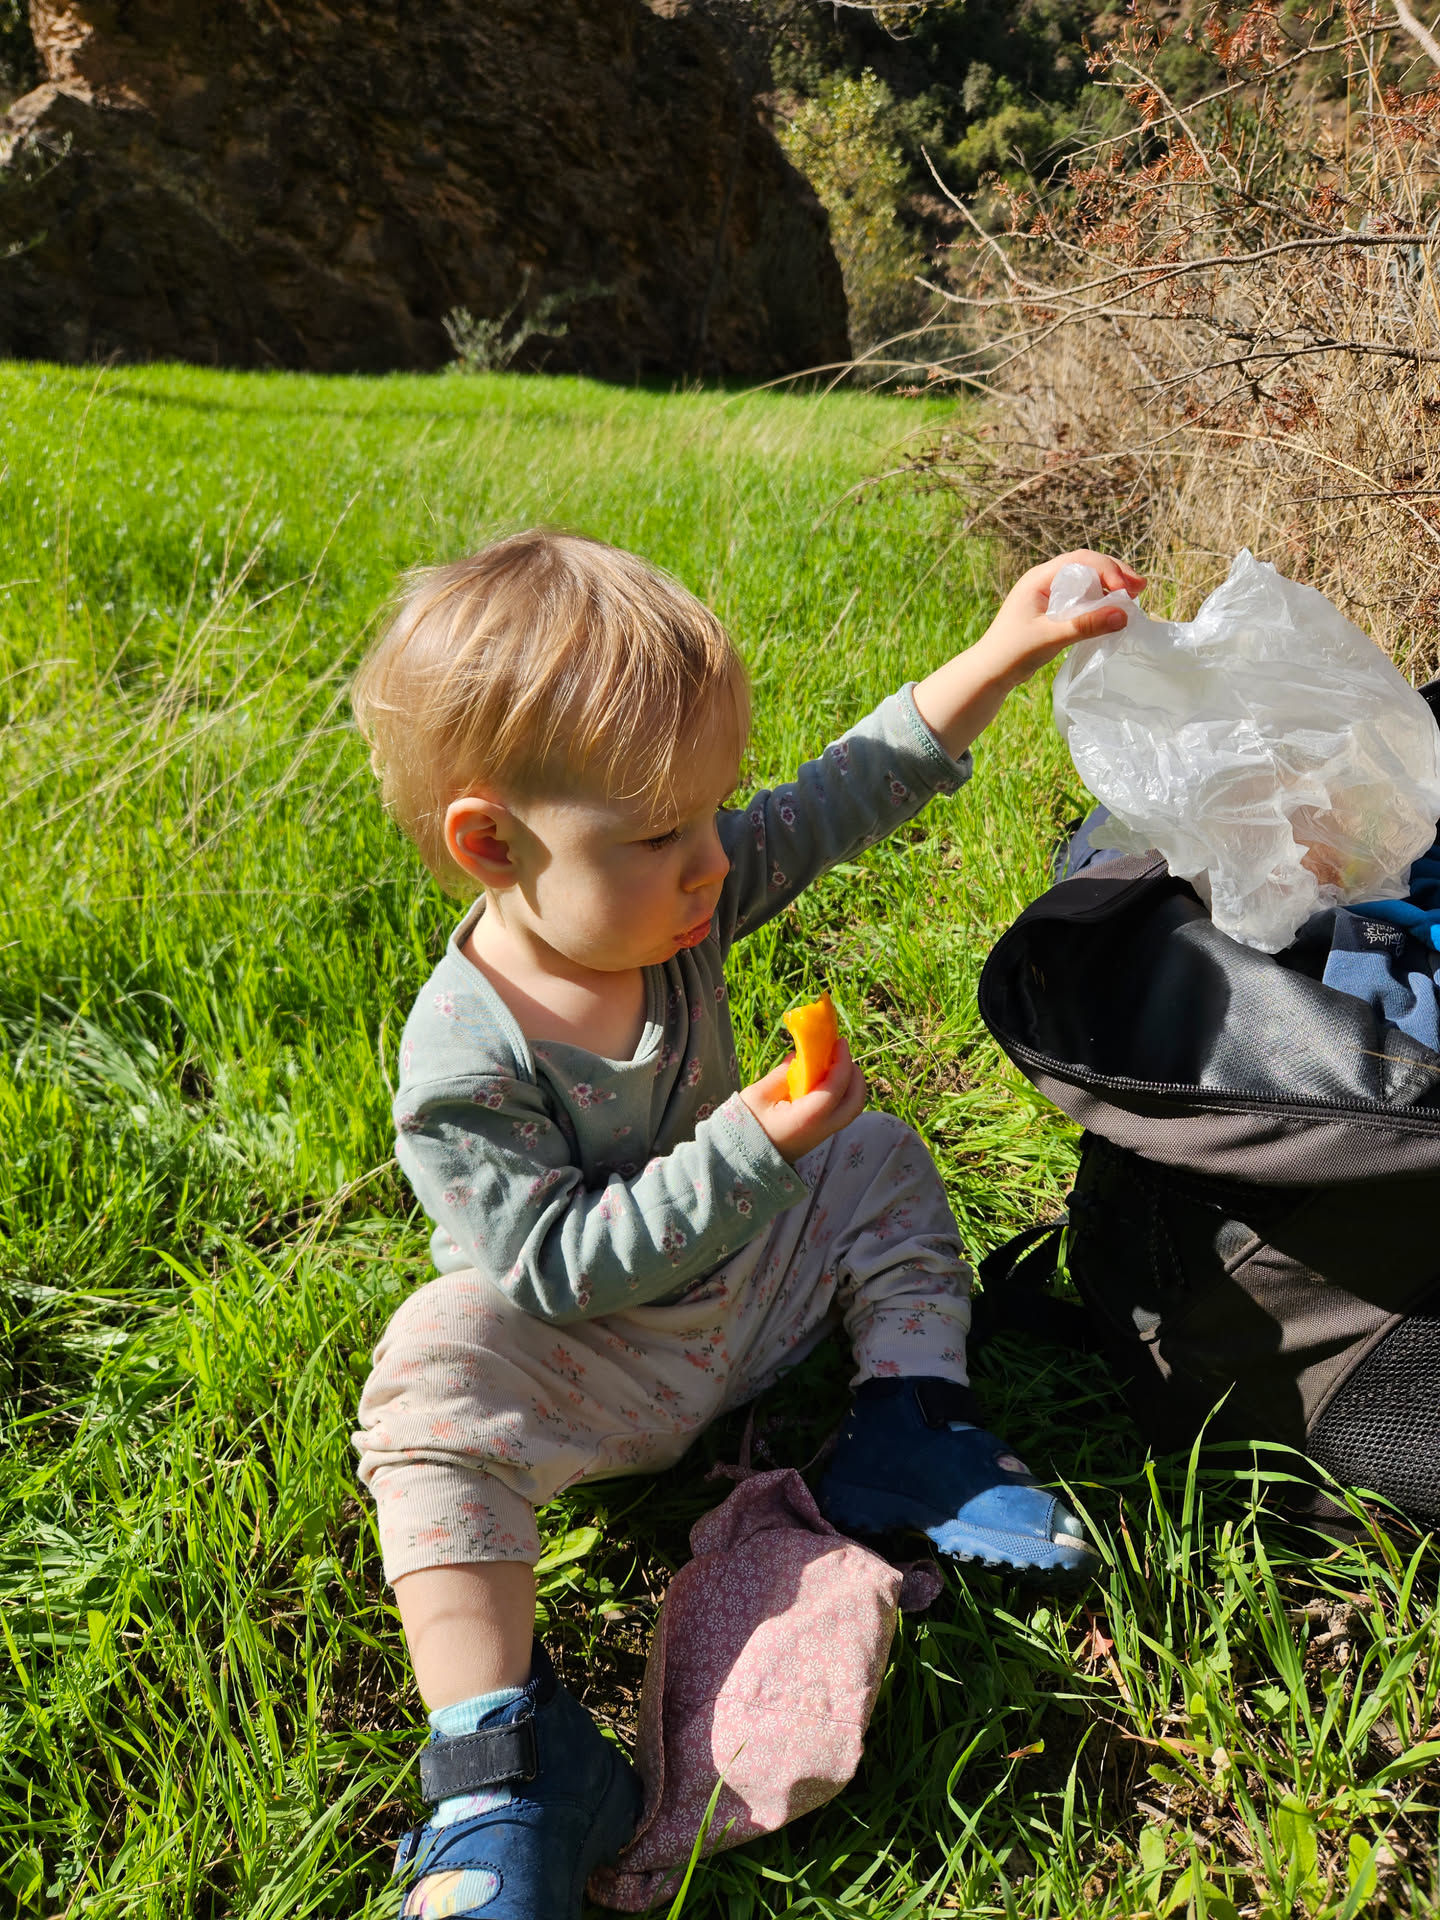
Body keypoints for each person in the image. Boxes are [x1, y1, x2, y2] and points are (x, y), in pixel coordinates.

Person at [349, 530, 1141, 1920]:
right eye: (662, 834)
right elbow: (553, 1269)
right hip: (595, 1374)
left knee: (877, 1157)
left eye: (713, 814)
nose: (714, 861)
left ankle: (908, 1422)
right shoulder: (464, 1061)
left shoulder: (678, 914)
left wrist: (1002, 651)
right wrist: (749, 1146)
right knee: (431, 1369)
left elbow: (844, 789)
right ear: (492, 843)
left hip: (752, 1302)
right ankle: (499, 1768)